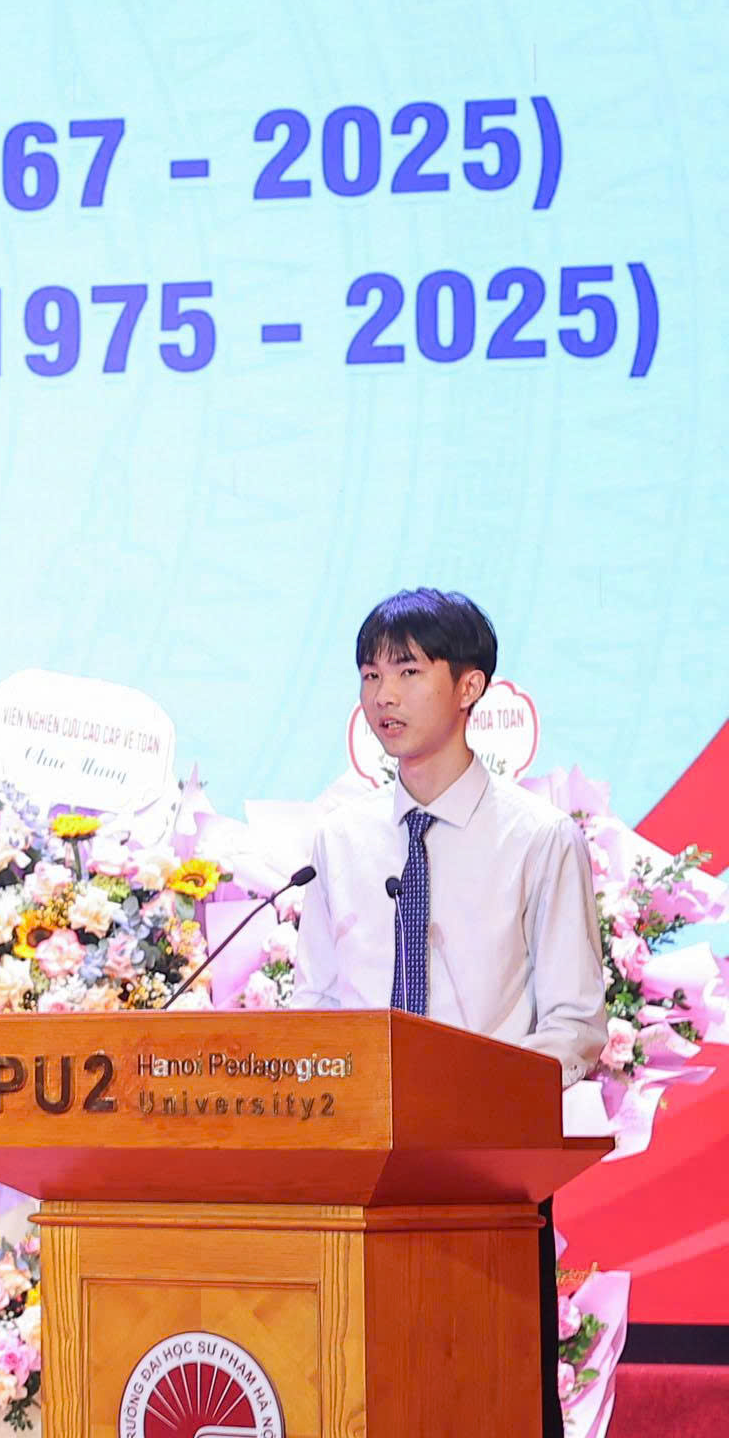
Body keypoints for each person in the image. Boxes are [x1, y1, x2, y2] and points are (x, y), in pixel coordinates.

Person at [290, 587, 604, 1438]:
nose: (382, 696)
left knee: (487, 1394)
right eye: (369, 675)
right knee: (356, 1396)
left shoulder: (538, 838)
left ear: (470, 687)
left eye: (407, 671)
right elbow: (317, 1004)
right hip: (359, 1174)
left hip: (484, 1179)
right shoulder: (339, 839)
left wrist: (471, 1100)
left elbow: (575, 1024)